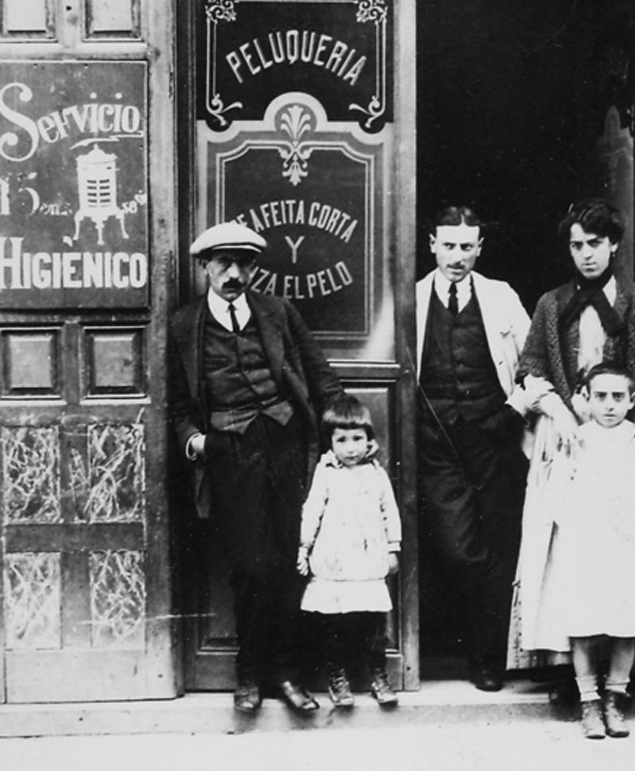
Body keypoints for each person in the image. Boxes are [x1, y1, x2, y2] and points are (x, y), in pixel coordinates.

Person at [508, 199, 635, 692]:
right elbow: (531, 370)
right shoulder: (551, 303)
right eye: (576, 245)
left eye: (594, 244)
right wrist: (559, 410)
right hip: (566, 440)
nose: (585, 254)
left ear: (613, 245)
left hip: (621, 440)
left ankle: (623, 676)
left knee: (621, 552)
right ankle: (566, 667)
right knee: (566, 548)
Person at [169, 221, 344, 716]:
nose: (233, 273)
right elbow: (179, 404)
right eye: (222, 263)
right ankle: (248, 674)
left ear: (253, 268)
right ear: (204, 266)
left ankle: (285, 673)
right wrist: (199, 443)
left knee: (291, 559)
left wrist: (341, 424)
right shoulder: (185, 325)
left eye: (243, 263)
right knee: (249, 567)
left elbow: (318, 370)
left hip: (286, 442)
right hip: (230, 451)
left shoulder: (277, 311)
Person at [416, 205, 532, 691]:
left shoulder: (500, 296)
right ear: (432, 245)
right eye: (449, 245)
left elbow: (535, 363)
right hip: (436, 443)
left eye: (467, 246)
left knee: (497, 547)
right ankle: (450, 647)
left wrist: (513, 410)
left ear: (480, 248)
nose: (457, 256)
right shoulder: (413, 295)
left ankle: (487, 659)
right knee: (459, 550)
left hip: (494, 440)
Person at [531, 363, 635, 739]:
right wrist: (580, 528)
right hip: (586, 547)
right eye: (601, 397)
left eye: (618, 397)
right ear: (586, 399)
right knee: (583, 624)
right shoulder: (576, 439)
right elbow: (556, 493)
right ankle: (589, 703)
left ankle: (615, 699)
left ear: (632, 401)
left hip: (628, 548)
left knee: (625, 626)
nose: (609, 405)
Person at [297, 395, 402, 710]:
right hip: (334, 561)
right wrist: (304, 548)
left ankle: (376, 674)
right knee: (334, 625)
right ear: (330, 443)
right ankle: (337, 676)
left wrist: (393, 548)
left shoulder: (376, 474)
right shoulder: (326, 473)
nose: (351, 447)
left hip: (368, 562)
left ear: (369, 440)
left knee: (372, 623)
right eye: (342, 440)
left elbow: (390, 512)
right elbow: (311, 510)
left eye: (357, 438)